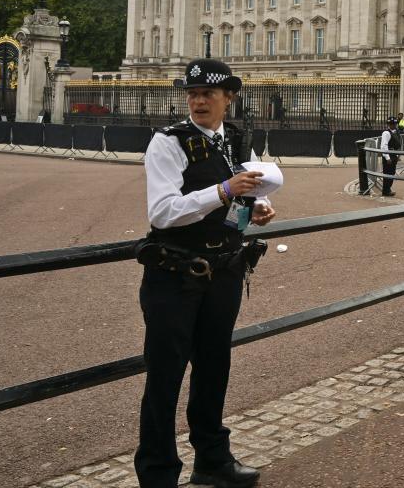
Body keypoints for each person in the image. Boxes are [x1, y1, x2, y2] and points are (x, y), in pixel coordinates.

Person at [135, 58, 278, 488]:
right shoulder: (168, 143)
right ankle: (158, 476)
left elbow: (242, 195)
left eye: (208, 94)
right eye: (193, 94)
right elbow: (161, 213)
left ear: (228, 98)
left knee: (215, 367)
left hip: (225, 272)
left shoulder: (237, 141)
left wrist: (256, 207)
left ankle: (212, 459)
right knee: (165, 375)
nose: (198, 102)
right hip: (175, 274)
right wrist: (222, 191)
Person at [379, 117, 400, 197]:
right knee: (387, 173)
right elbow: (384, 146)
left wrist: (397, 155)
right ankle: (386, 190)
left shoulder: (396, 132)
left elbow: (397, 144)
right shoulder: (386, 133)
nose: (393, 125)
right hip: (389, 155)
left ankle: (388, 189)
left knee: (392, 173)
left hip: (393, 154)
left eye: (394, 124)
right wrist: (387, 157)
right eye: (391, 124)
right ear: (388, 124)